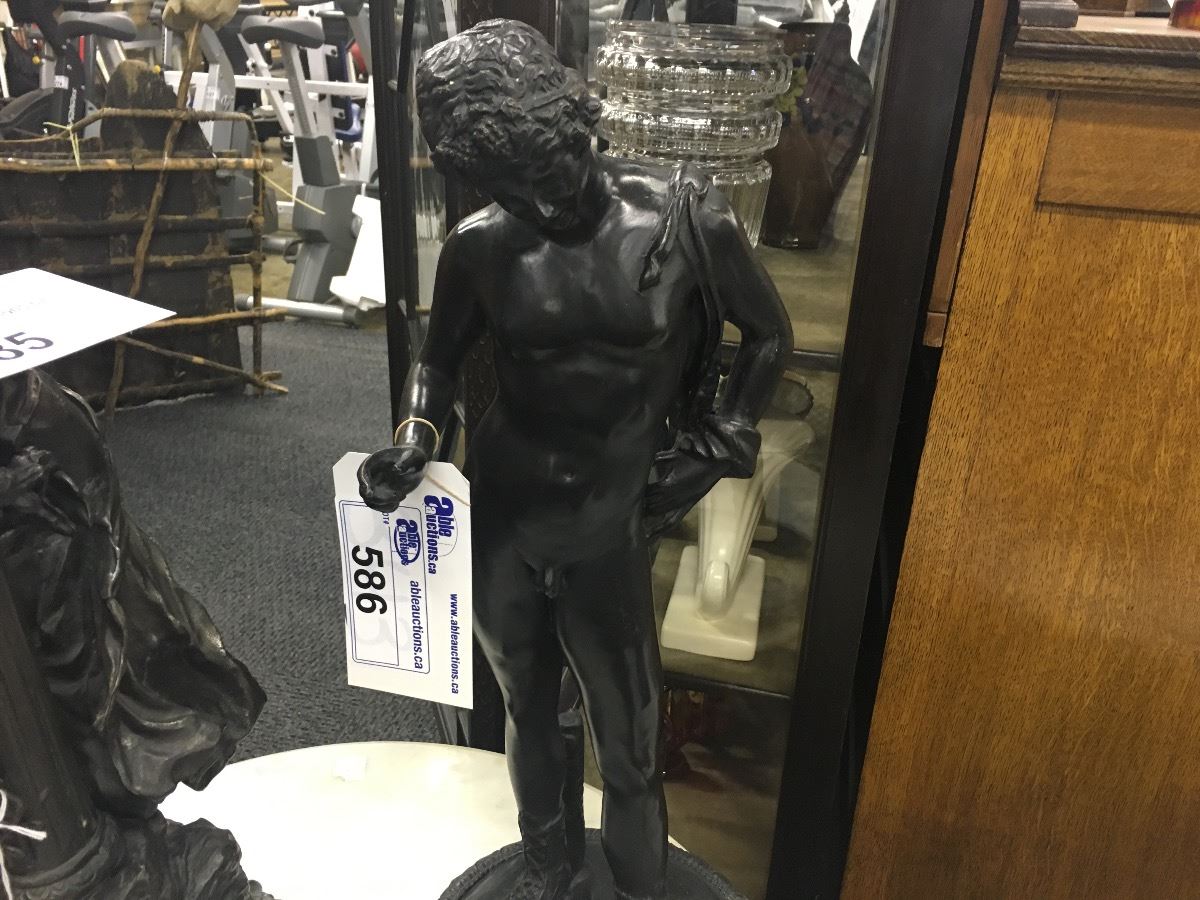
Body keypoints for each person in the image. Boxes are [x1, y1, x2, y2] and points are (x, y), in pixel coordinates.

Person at [358, 19, 791, 900]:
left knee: (629, 743)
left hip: (610, 524)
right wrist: (414, 439)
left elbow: (769, 338)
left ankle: (637, 889)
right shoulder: (483, 243)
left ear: (569, 118)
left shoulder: (684, 217)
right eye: (511, 188)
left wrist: (719, 445)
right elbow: (437, 362)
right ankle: (546, 873)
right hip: (505, 518)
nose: (538, 202)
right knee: (526, 710)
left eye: (545, 173)